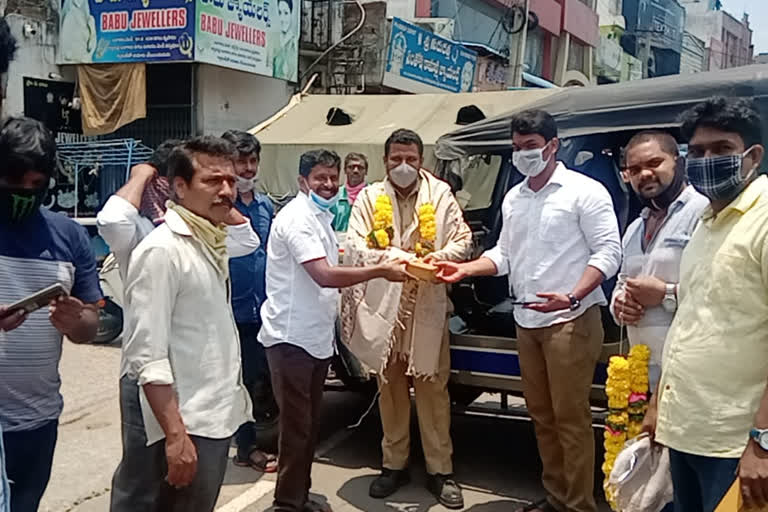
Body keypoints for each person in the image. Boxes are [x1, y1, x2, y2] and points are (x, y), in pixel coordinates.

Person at [435, 110, 621, 512]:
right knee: (540, 415)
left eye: (530, 148)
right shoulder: (514, 197)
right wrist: (465, 268)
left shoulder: (583, 191)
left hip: (569, 319)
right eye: (517, 148)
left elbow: (609, 253)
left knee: (571, 420)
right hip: (527, 320)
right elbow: (504, 254)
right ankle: (556, 498)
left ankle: (579, 505)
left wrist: (572, 295)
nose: (522, 155)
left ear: (553, 146)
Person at [104, 139, 261, 511]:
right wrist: (175, 436)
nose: (226, 191)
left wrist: (221, 205)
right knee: (146, 502)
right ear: (179, 187)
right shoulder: (162, 250)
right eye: (212, 181)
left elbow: (247, 237)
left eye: (231, 181)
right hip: (179, 416)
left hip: (212, 412)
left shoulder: (209, 240)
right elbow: (148, 355)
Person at [258, 149, 409, 512]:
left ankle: (297, 495)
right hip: (291, 338)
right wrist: (380, 272)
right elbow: (324, 275)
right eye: (319, 179)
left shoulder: (320, 216)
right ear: (302, 182)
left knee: (309, 426)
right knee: (297, 428)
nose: (327, 185)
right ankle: (287, 504)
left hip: (314, 338)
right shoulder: (296, 218)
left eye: (332, 178)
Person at [642, 97, 768, 512]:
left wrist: (763, 443)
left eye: (722, 150)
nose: (707, 160)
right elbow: (690, 318)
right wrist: (660, 405)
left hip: (737, 441)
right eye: (697, 152)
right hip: (688, 429)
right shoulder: (707, 221)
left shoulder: (763, 221)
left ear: (752, 156)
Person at [341, 129, 473, 509]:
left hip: (428, 302)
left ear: (421, 160)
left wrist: (440, 257)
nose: (404, 166)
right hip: (387, 306)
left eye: (411, 159)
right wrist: (396, 261)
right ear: (385, 161)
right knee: (391, 389)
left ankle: (440, 470)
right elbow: (355, 245)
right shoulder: (369, 197)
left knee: (433, 389)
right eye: (396, 159)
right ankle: (393, 465)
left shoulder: (441, 195)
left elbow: (462, 240)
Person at [0, 117, 102, 512]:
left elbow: (90, 326)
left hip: (36, 423)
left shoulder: (69, 236)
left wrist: (79, 321)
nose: (25, 193)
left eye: (36, 185)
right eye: (13, 182)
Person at [611, 131, 708, 390]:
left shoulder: (703, 212)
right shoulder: (634, 228)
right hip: (642, 372)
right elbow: (622, 282)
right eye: (634, 169)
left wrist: (666, 294)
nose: (644, 174)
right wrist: (619, 305)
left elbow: (721, 290)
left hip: (691, 372)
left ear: (679, 162)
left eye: (654, 163)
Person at [220, 130, 277, 473]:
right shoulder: (218, 207)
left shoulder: (266, 205)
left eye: (252, 161)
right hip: (228, 310)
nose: (247, 168)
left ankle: (247, 439)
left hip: (261, 309)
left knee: (256, 379)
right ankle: (244, 447)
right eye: (240, 161)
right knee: (234, 380)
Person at [332, 152, 368, 232]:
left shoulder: (372, 195)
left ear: (366, 171)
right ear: (345, 170)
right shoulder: (334, 196)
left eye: (360, 167)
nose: (355, 170)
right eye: (351, 167)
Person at [272, 0, 298, 81]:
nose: (282, 19)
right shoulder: (273, 39)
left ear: (291, 14)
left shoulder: (294, 42)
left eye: (286, 13)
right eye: (280, 13)